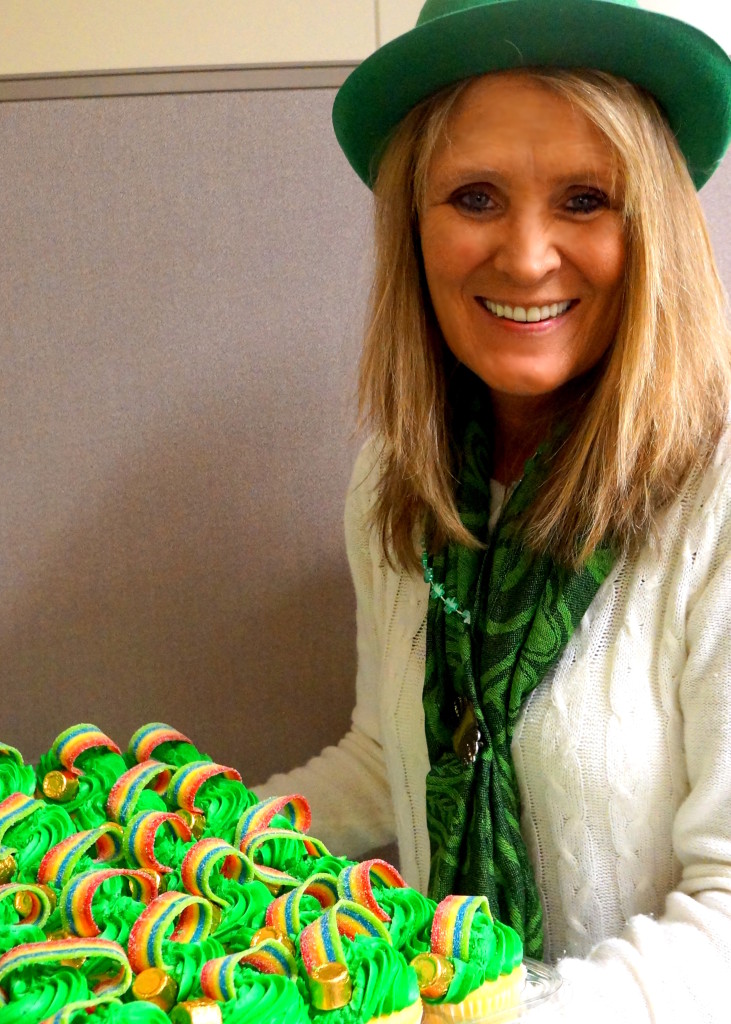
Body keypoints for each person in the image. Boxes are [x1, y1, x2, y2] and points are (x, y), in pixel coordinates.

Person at [258, 0, 731, 1018]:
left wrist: (500, 1010)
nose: (523, 256)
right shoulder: (399, 475)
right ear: (410, 226)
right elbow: (392, 756)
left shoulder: (718, 493)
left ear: (649, 223)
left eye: (582, 199)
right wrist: (210, 837)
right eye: (473, 196)